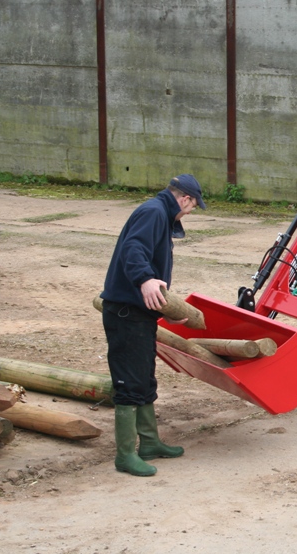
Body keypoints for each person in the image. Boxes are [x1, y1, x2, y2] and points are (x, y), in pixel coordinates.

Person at [100, 174, 206, 477]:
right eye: (193, 206)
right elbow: (133, 250)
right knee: (129, 381)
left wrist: (166, 312)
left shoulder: (159, 214)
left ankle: (149, 443)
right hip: (125, 314)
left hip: (139, 314)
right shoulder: (153, 212)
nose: (190, 212)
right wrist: (145, 279)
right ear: (185, 199)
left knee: (144, 378)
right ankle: (125, 455)